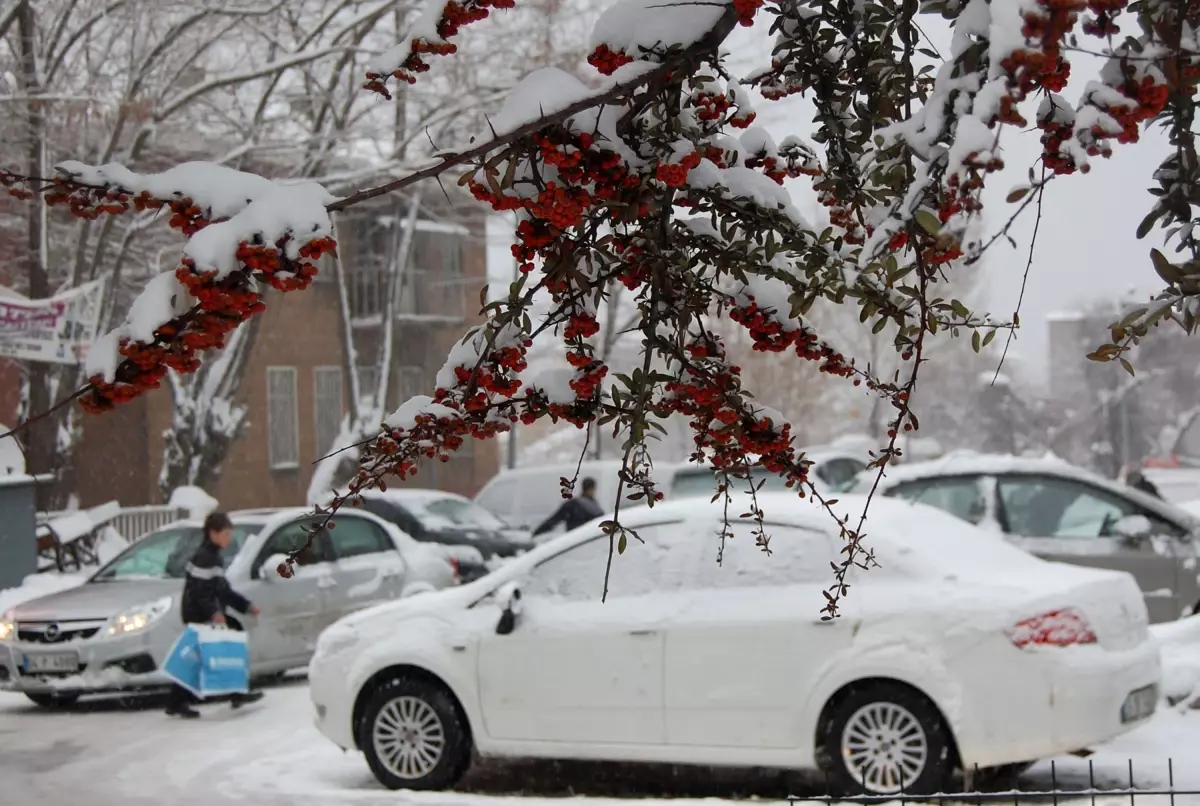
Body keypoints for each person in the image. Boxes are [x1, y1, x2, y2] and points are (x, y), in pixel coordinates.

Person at [165, 512, 264, 719]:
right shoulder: (206, 557)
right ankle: (235, 693)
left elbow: (222, 590)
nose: (229, 538)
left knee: (200, 655)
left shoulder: (213, 555)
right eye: (226, 533)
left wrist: (245, 605)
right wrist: (214, 613)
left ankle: (178, 701)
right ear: (213, 533)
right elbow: (202, 592)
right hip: (198, 614)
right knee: (215, 649)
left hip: (202, 613)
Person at [533, 477, 605, 536]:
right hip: (585, 539)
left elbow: (554, 520)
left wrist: (536, 533)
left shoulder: (573, 504)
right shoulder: (594, 508)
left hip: (574, 540)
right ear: (592, 489)